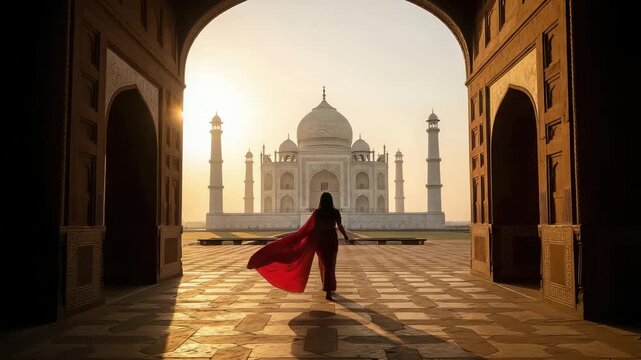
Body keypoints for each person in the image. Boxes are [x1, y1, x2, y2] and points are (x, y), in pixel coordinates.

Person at [247, 192, 349, 301]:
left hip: (321, 240)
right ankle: (329, 289)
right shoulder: (335, 212)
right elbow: (340, 226)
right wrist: (345, 236)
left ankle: (327, 288)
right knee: (330, 264)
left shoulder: (317, 213)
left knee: (324, 263)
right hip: (331, 239)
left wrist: (302, 237)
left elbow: (311, 228)